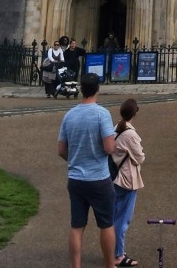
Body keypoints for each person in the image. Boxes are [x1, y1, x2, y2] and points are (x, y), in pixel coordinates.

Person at [57, 72, 117, 268]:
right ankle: (110, 265)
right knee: (106, 224)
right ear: (98, 89)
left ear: (81, 89)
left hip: (75, 178)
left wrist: (75, 159)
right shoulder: (102, 114)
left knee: (77, 226)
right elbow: (109, 148)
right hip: (99, 177)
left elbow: (61, 150)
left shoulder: (70, 115)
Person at [112, 98, 145, 268]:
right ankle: (118, 255)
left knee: (115, 216)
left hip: (116, 177)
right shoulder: (130, 134)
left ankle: (114, 252)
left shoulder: (115, 128)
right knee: (123, 219)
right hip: (126, 178)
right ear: (135, 112)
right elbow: (140, 157)